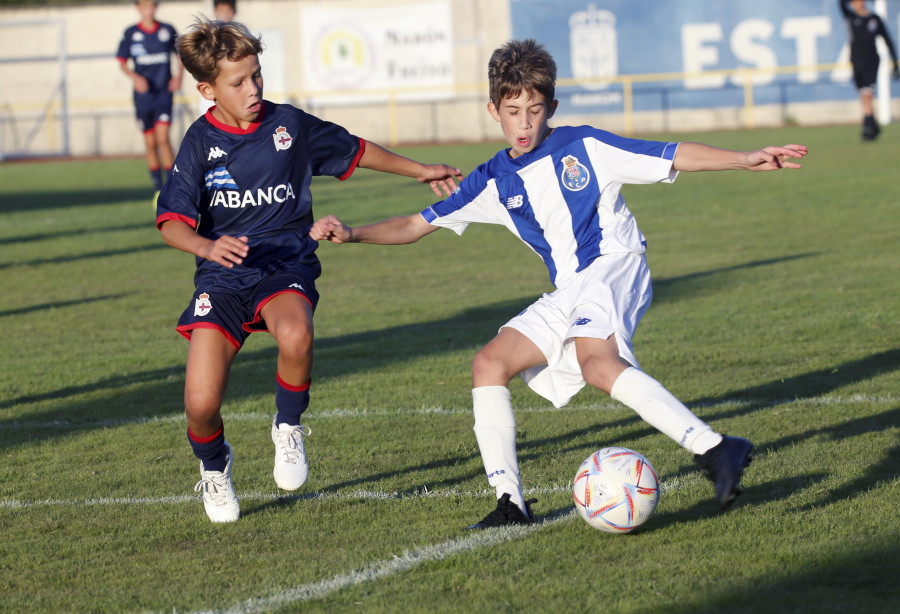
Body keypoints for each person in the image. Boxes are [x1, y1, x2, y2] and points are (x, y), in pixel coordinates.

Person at [310, 39, 808, 529]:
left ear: (551, 106)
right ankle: (511, 503)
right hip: (571, 287)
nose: (524, 123)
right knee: (489, 363)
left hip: (615, 263)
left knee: (597, 363)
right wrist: (353, 233)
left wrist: (744, 157)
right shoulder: (492, 180)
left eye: (534, 109)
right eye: (512, 110)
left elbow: (672, 155)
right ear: (493, 111)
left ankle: (716, 449)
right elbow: (416, 225)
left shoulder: (584, 145)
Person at [156, 19, 462, 523]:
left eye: (256, 75)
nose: (253, 88)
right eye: (238, 82)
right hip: (223, 278)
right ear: (207, 89)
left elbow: (356, 150)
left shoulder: (289, 127)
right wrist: (207, 247)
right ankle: (215, 467)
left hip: (284, 264)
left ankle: (288, 427)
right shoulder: (198, 143)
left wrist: (420, 169)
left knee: (296, 334)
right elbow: (170, 222)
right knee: (200, 402)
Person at [116, 0, 183, 194]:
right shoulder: (131, 33)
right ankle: (157, 188)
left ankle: (173, 186)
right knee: (150, 142)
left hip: (163, 93)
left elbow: (180, 55)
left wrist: (179, 77)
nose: (148, 9)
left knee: (163, 138)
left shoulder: (167, 30)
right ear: (138, 8)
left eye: (152, 5)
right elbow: (121, 62)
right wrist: (135, 77)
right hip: (143, 96)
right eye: (144, 6)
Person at [838, 0, 900, 141]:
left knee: (867, 93)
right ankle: (872, 125)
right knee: (863, 94)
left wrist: (895, 64)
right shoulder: (850, 17)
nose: (856, 4)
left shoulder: (874, 19)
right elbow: (841, 3)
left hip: (871, 61)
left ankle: (868, 126)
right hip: (856, 61)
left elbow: (888, 40)